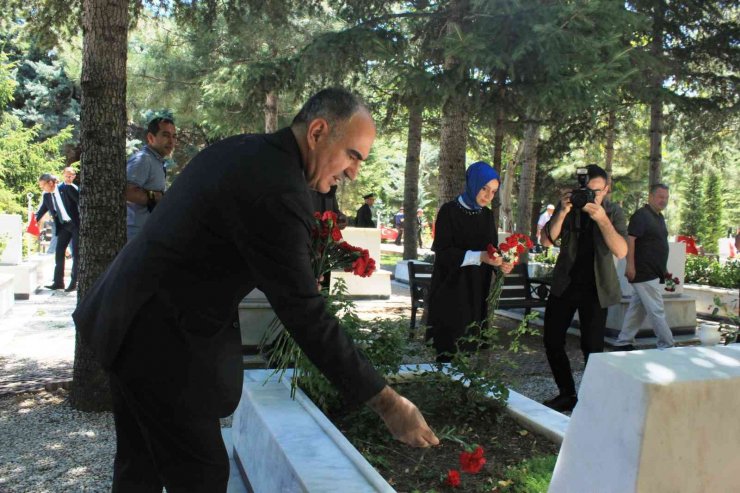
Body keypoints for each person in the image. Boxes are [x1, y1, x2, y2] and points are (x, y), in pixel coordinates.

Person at [73, 88, 438, 493]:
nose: (354, 171)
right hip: (159, 342)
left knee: (139, 469)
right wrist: (388, 402)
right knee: (201, 476)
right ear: (317, 132)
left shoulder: (250, 150)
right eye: (352, 155)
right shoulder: (277, 188)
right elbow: (303, 312)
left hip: (129, 317)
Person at [539, 164, 628, 412]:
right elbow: (546, 241)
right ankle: (567, 393)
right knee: (552, 340)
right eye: (586, 190)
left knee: (593, 347)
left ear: (607, 190)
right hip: (565, 283)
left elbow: (621, 251)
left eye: (597, 192)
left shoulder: (613, 211)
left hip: (596, 288)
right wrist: (563, 211)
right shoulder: (569, 206)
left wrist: (601, 219)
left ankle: (592, 399)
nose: (590, 197)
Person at [425, 161, 514, 362]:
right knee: (448, 350)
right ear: (473, 183)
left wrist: (501, 263)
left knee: (470, 350)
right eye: (484, 188)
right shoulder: (449, 211)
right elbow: (444, 253)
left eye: (493, 192)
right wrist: (479, 256)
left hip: (476, 292)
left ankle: (463, 392)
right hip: (450, 291)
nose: (488, 196)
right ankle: (446, 390)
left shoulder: (487, 215)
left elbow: (491, 249)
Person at [613, 184, 674, 350]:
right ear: (651, 197)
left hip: (654, 271)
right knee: (656, 309)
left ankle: (624, 341)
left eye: (666, 197)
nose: (664, 200)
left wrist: (664, 269)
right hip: (643, 271)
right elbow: (630, 240)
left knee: (637, 309)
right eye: (661, 196)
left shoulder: (658, 217)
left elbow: (657, 244)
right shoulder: (641, 215)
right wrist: (630, 266)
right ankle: (667, 344)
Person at [125, 116, 176, 240]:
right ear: (150, 138)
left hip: (149, 233)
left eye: (173, 136)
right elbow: (128, 192)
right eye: (165, 135)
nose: (171, 141)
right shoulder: (143, 159)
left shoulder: (156, 160)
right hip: (137, 236)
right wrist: (158, 197)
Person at [35, 173, 79, 292]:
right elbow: (41, 211)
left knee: (76, 253)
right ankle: (58, 282)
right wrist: (35, 220)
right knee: (59, 252)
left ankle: (74, 282)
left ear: (50, 183)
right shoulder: (47, 196)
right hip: (64, 226)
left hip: (76, 225)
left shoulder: (66, 189)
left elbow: (80, 202)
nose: (42, 188)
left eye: (42, 185)